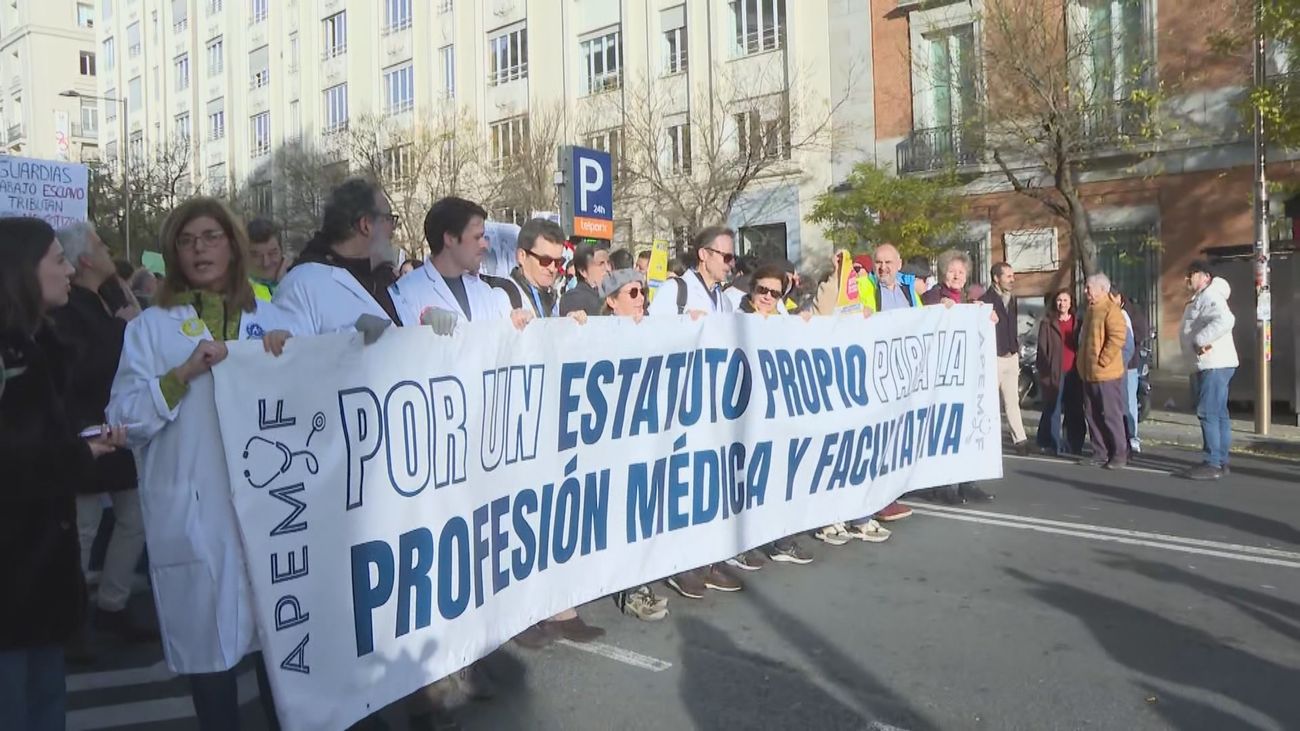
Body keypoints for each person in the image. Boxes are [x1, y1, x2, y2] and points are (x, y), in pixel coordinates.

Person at [107, 198, 293, 730]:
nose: (199, 249)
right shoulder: (149, 330)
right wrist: (181, 375)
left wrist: (292, 358)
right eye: (186, 241)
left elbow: (315, 395)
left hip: (270, 514)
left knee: (282, 657)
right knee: (211, 657)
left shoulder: (271, 320)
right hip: (196, 515)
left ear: (233, 246)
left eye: (211, 237)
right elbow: (122, 419)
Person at [1, 217, 128, 731]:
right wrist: (75, 456)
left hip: (38, 582)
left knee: (44, 702)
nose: (70, 270)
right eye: (58, 260)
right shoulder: (13, 356)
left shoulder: (38, 345)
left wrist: (80, 448)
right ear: (22, 272)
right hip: (13, 579)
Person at [50, 222, 156, 645]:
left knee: (134, 518)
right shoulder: (66, 308)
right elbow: (84, 367)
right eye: (99, 246)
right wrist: (121, 329)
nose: (109, 250)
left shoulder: (104, 299)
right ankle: (71, 618)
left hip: (115, 428)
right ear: (85, 261)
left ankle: (113, 603)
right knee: (85, 527)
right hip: (85, 431)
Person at [646, 226, 745, 597]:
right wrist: (682, 329)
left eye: (732, 257)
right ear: (704, 254)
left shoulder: (722, 299)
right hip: (679, 406)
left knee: (707, 485)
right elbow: (649, 341)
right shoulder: (676, 291)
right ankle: (679, 563)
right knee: (679, 486)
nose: (730, 263)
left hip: (712, 408)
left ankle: (706, 559)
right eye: (725, 256)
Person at [737, 264, 816, 566]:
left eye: (775, 293)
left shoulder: (783, 320)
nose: (768, 297)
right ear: (752, 290)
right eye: (763, 290)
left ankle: (781, 539)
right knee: (746, 482)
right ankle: (739, 545)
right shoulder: (734, 319)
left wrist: (804, 325)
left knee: (779, 479)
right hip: (745, 416)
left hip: (776, 414)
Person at [274, 177, 402, 333]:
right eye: (388, 219)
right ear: (366, 225)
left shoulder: (384, 281)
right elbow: (288, 348)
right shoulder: (301, 286)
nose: (394, 228)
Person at [918, 250, 994, 504]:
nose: (957, 276)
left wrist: (985, 317)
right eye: (952, 271)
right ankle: (941, 484)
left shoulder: (967, 300)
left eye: (961, 272)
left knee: (966, 429)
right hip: (940, 377)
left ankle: (967, 482)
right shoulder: (932, 296)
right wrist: (937, 310)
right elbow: (921, 321)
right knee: (943, 429)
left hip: (965, 377)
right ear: (942, 273)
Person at [1178, 260, 1239, 480]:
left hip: (1213, 363)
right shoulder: (1203, 297)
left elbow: (1226, 320)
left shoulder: (1210, 295)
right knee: (1219, 413)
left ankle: (1213, 462)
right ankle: (1221, 460)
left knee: (1208, 412)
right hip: (1214, 363)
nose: (1188, 278)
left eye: (1193, 273)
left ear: (1206, 277)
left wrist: (1199, 340)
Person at [1077, 273, 1130, 469]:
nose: (1086, 291)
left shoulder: (1111, 310)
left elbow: (1117, 337)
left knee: (1111, 414)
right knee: (1092, 414)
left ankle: (1119, 453)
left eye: (1089, 288)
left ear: (1102, 289)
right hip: (1089, 373)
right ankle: (1100, 452)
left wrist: (1103, 360)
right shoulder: (1091, 310)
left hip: (1106, 374)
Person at [980, 262, 1030, 455]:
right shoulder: (985, 301)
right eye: (1008, 276)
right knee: (990, 402)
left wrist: (1015, 349)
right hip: (995, 357)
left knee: (1012, 400)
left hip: (1011, 355)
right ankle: (987, 439)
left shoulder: (1012, 299)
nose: (1012, 279)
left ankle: (1021, 441)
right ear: (996, 278)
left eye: (1012, 276)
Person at [1035, 289, 1086, 456]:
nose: (1062, 304)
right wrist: (1044, 373)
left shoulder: (1078, 322)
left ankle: (1075, 444)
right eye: (1059, 300)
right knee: (1053, 408)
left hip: (1075, 372)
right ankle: (1053, 444)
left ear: (1071, 303)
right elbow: (1042, 350)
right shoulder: (1048, 323)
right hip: (1055, 372)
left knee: (1075, 409)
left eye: (1065, 300)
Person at [1115, 291, 1149, 453]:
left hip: (1129, 364)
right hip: (1110, 366)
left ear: (1119, 297)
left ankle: (1132, 438)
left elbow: (1141, 333)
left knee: (1129, 402)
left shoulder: (1132, 313)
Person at [559, 244, 611, 316]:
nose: (608, 269)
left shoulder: (611, 296)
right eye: (601, 264)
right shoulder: (573, 299)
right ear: (583, 271)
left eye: (608, 263)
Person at [246, 218, 287, 301]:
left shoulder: (300, 281)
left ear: (282, 251)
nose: (266, 263)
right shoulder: (240, 292)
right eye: (257, 256)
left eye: (272, 253)